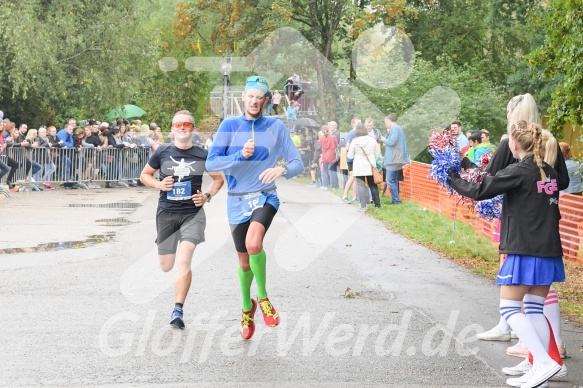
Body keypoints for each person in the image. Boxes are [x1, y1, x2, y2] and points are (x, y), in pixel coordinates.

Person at [448, 121, 564, 388]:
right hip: (547, 249)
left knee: (509, 308)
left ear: (513, 144)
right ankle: (540, 366)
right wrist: (465, 165)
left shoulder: (519, 171)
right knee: (534, 309)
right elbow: (488, 178)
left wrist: (450, 177)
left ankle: (544, 364)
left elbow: (479, 190)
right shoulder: (549, 172)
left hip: (525, 249)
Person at [206, 75, 303, 340]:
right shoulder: (229, 126)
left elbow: (297, 162)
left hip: (264, 196)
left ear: (265, 101)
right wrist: (239, 156)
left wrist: (280, 169)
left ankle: (262, 297)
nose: (254, 101)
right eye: (251, 96)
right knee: (243, 260)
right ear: (243, 98)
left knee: (253, 244)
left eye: (260, 98)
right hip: (236, 199)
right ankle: (246, 307)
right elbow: (211, 164)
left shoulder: (275, 127)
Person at [140, 109, 224, 329]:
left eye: (186, 125)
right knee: (166, 266)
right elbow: (145, 175)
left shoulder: (203, 154)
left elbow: (218, 180)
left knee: (184, 259)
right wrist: (159, 185)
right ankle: (169, 249)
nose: (182, 128)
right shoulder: (162, 152)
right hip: (167, 212)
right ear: (172, 129)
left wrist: (206, 196)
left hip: (192, 213)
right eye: (178, 125)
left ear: (193, 129)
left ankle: (178, 309)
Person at [348, 123, 381, 210]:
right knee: (373, 185)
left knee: (361, 185)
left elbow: (350, 156)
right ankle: (377, 205)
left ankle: (363, 205)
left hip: (359, 166)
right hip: (370, 165)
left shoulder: (355, 141)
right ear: (365, 130)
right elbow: (377, 153)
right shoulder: (372, 140)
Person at [382, 115, 410, 205]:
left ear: (389, 121)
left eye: (385, 122)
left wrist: (383, 139)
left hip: (393, 158)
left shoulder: (394, 128)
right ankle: (396, 199)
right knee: (394, 179)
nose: (385, 124)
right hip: (398, 158)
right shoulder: (398, 128)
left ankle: (396, 200)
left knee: (389, 179)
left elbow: (391, 142)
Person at [341, 118, 361, 203]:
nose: (360, 124)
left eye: (361, 122)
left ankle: (354, 197)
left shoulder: (359, 133)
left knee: (356, 178)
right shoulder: (351, 134)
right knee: (352, 177)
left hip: (357, 158)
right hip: (351, 159)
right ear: (353, 124)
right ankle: (344, 196)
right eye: (358, 123)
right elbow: (347, 147)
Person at [319, 125, 338, 190]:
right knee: (333, 171)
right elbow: (336, 144)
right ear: (329, 130)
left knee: (324, 171)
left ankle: (325, 185)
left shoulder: (321, 139)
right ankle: (334, 186)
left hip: (325, 156)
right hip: (332, 155)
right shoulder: (333, 137)